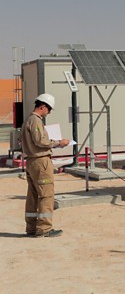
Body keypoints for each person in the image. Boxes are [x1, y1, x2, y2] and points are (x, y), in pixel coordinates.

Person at [21, 93, 69, 237]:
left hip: (31, 161)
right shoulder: (35, 121)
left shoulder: (28, 120)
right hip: (41, 162)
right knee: (46, 195)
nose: (48, 113)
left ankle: (31, 227)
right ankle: (44, 229)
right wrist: (59, 143)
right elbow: (40, 141)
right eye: (48, 110)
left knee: (33, 195)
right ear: (43, 106)